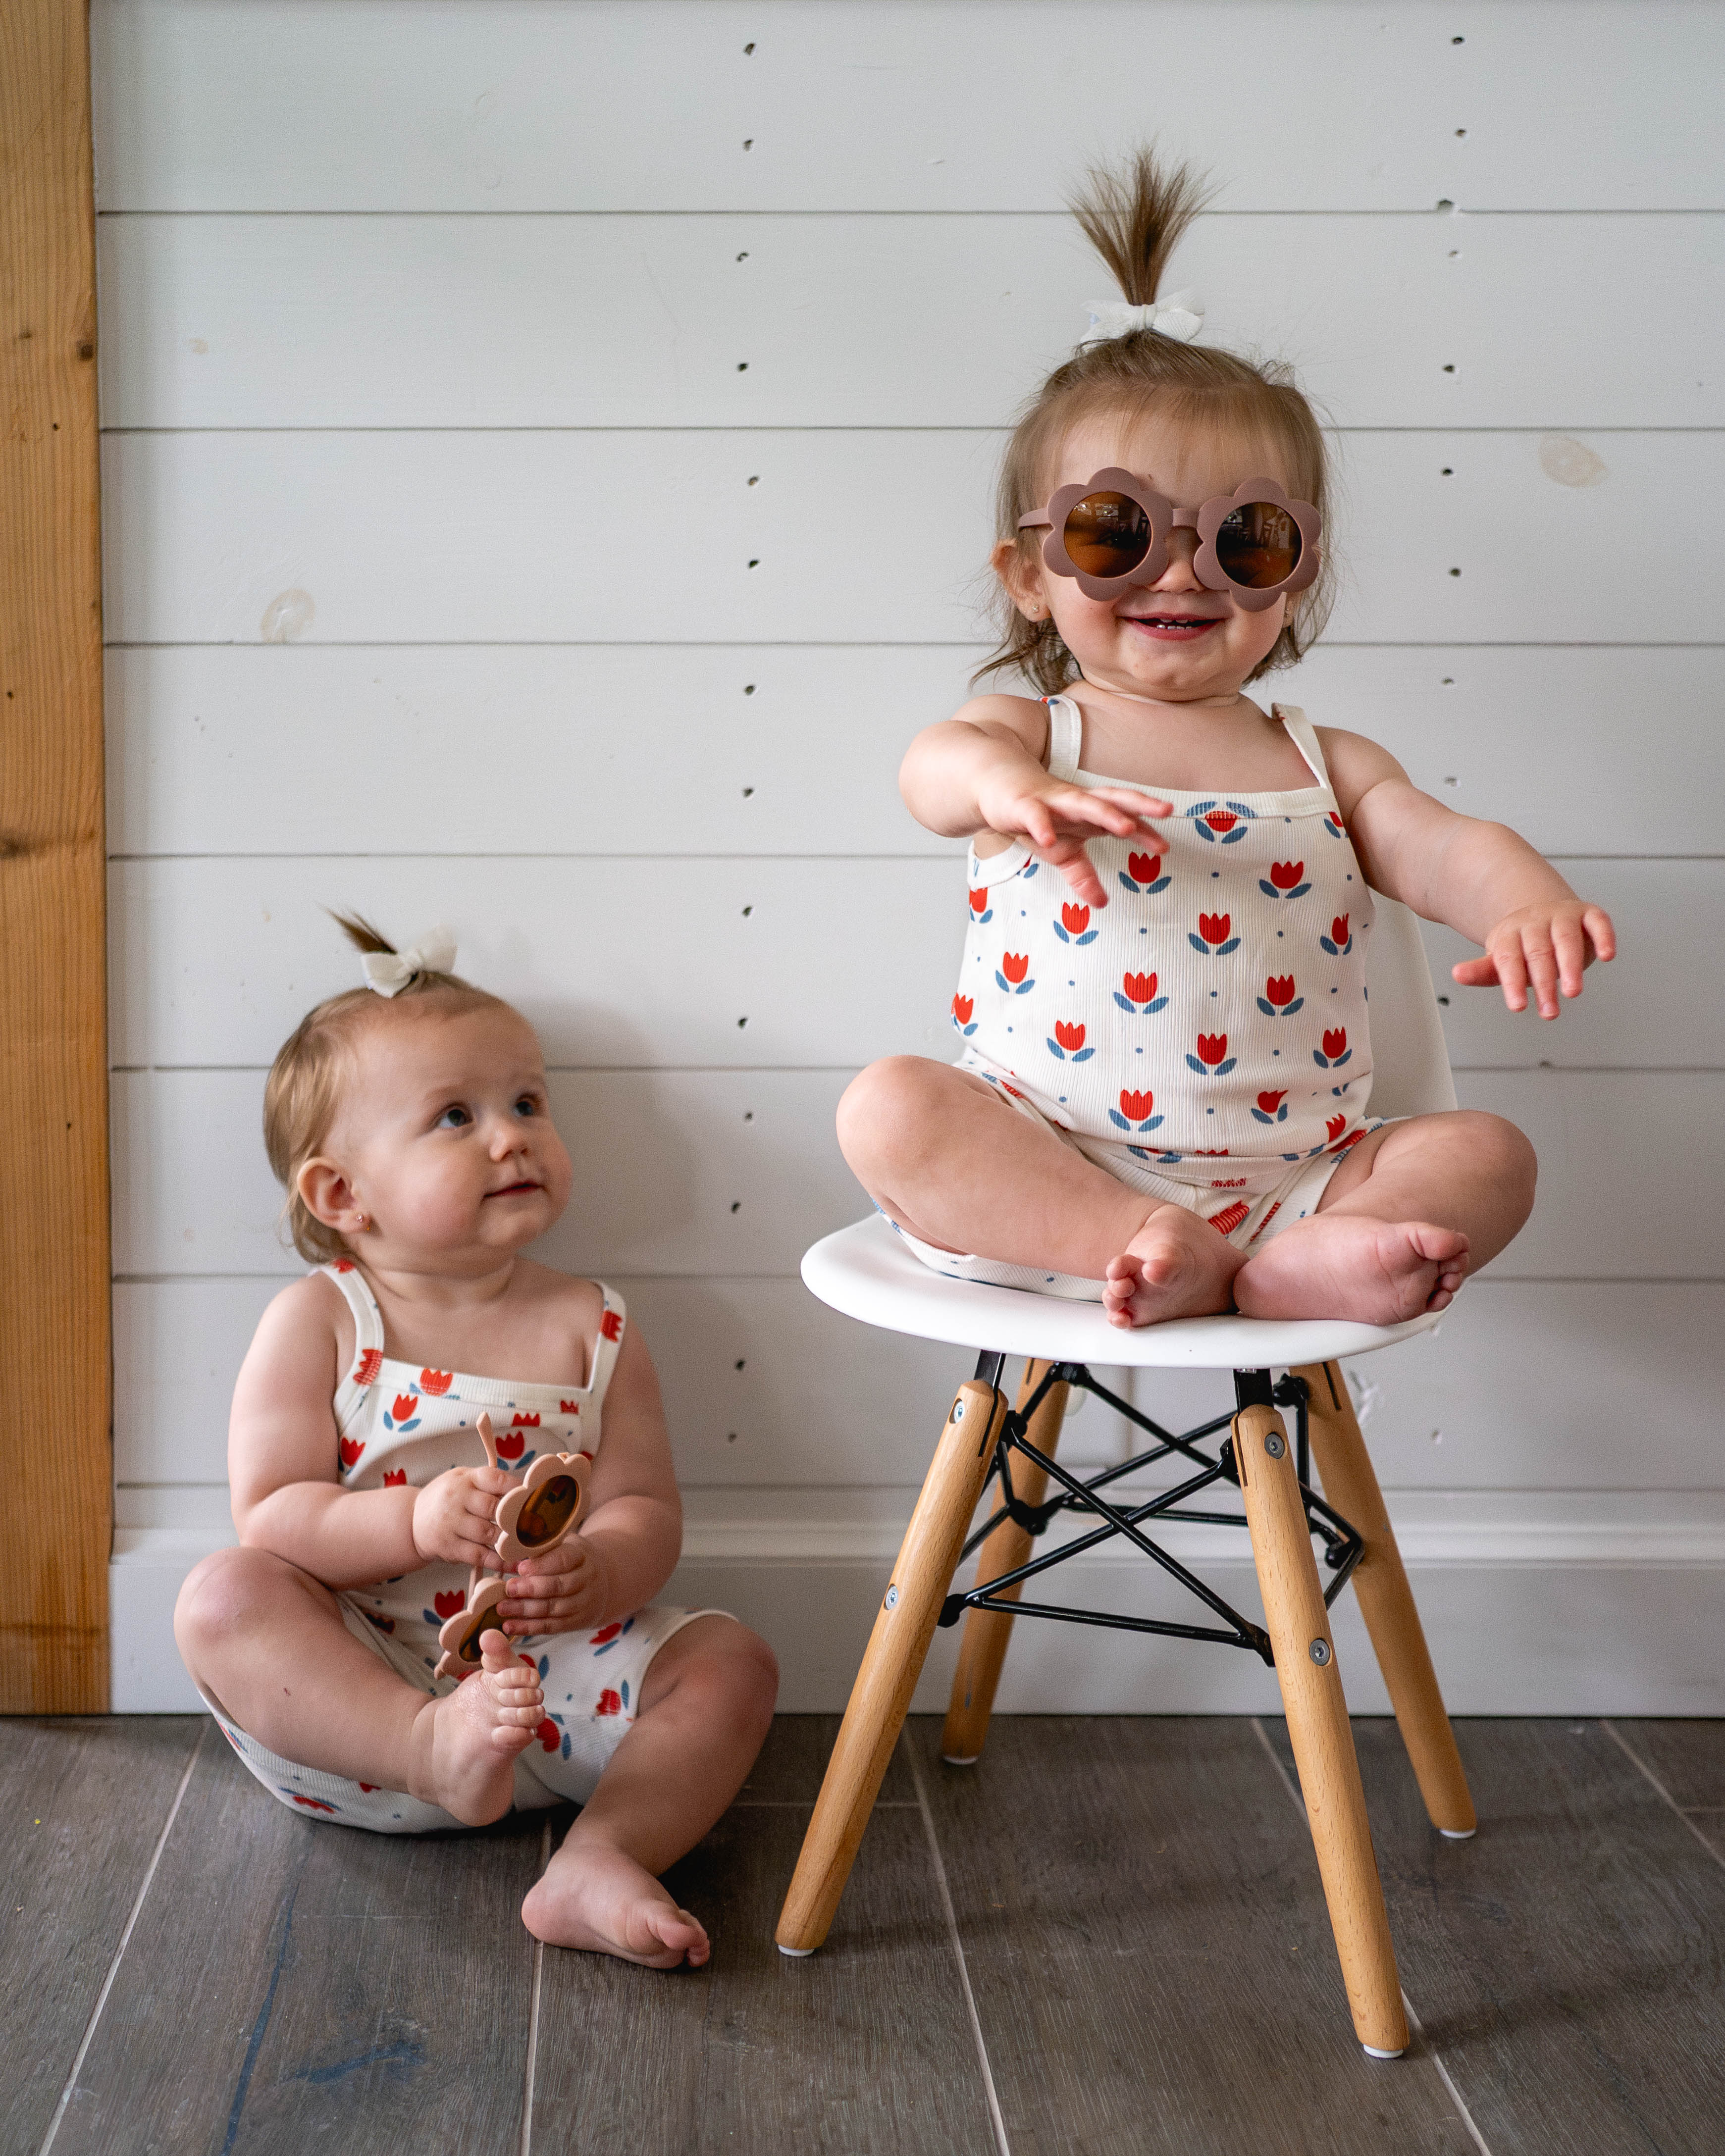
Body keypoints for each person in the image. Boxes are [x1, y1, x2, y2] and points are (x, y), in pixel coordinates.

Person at [837, 150, 1614, 1330]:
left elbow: (1445, 844)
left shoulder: (1327, 764)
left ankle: (1313, 1252)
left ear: (1294, 577)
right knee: (890, 1109)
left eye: (1244, 538)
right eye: (1115, 533)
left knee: (1488, 1151)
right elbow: (931, 771)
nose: (1181, 572)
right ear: (1028, 576)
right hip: (1053, 1162)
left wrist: (1522, 902)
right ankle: (1140, 1241)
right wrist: (1003, 789)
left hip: (1305, 1170)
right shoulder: (1032, 735)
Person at [173, 918, 779, 1968]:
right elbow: (271, 1513)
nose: (511, 1137)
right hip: (358, 1698)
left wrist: (601, 1570)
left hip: (557, 1690)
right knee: (221, 1598)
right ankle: (434, 1749)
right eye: (456, 1115)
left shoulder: (593, 1325)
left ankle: (602, 1855)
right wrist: (408, 1519)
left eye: (527, 1103)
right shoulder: (323, 1321)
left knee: (734, 1664)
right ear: (341, 1193)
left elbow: (644, 1506)